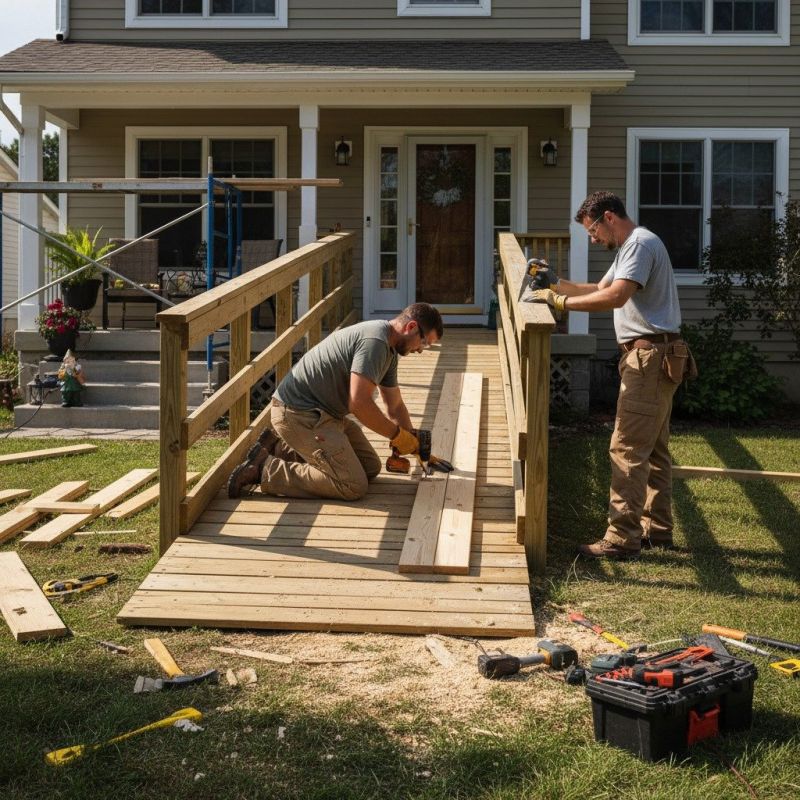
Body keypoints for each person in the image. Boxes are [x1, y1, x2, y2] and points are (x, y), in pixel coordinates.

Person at [531, 190, 695, 560]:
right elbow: (598, 289)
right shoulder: (630, 247)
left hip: (649, 359)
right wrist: (553, 283)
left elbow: (615, 298)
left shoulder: (639, 244)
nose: (593, 239)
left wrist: (561, 304)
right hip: (657, 356)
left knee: (626, 449)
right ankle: (658, 531)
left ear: (608, 217)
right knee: (653, 450)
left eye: (593, 231)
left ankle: (622, 538)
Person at [227, 302, 446, 501]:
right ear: (411, 327)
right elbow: (359, 404)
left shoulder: (389, 348)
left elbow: (395, 406)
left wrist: (415, 444)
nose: (420, 350)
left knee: (369, 466)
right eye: (424, 342)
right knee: (352, 485)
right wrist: (397, 436)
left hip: (324, 415)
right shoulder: (375, 343)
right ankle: (264, 470)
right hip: (298, 414)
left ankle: (278, 447)